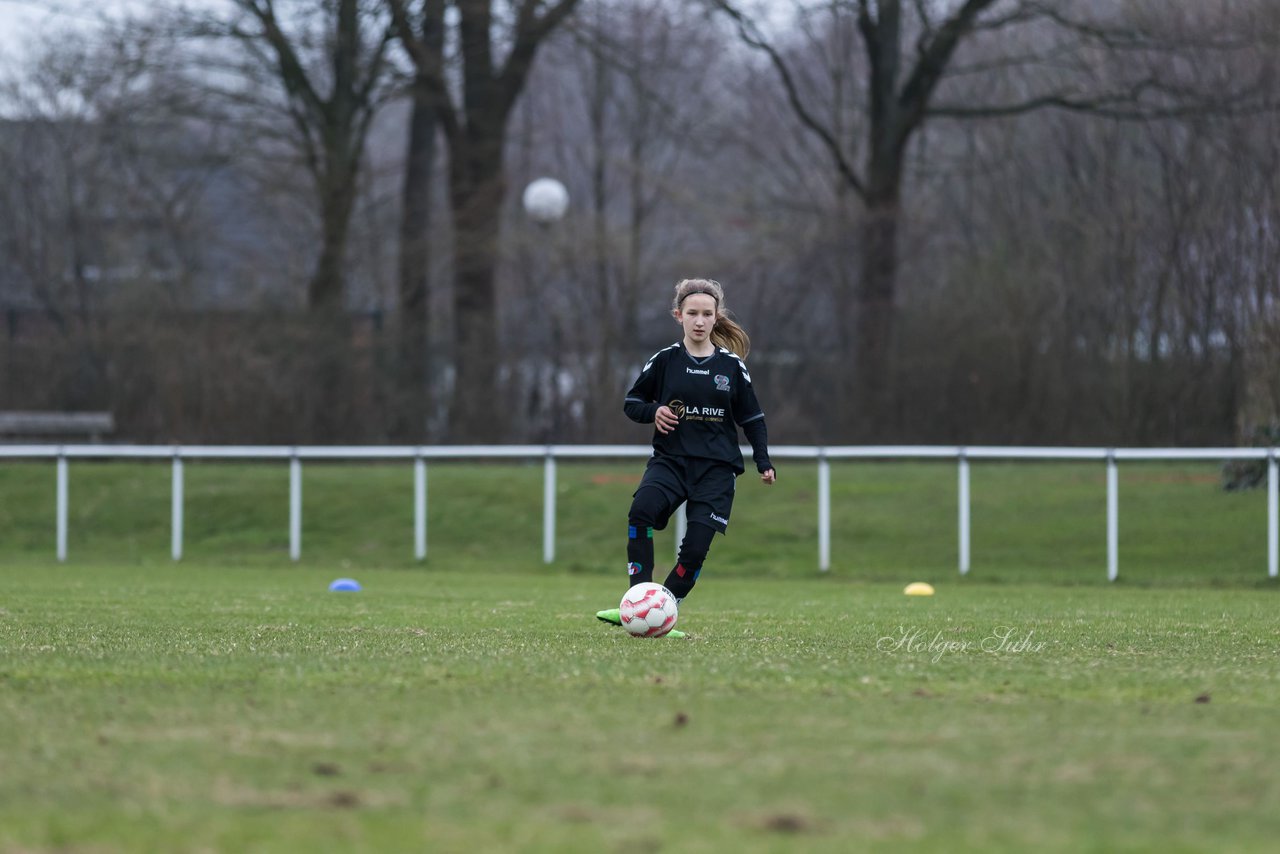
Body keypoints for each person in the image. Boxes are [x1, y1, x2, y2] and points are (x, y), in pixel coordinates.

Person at [596, 278, 776, 638]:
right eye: (692, 313)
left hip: (717, 471)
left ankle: (665, 611)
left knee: (694, 551)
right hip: (671, 462)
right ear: (679, 315)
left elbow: (752, 418)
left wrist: (763, 460)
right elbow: (632, 403)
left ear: (715, 318)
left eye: (706, 314)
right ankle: (637, 602)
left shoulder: (731, 367)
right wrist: (655, 411)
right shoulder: (664, 361)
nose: (699, 320)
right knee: (641, 512)